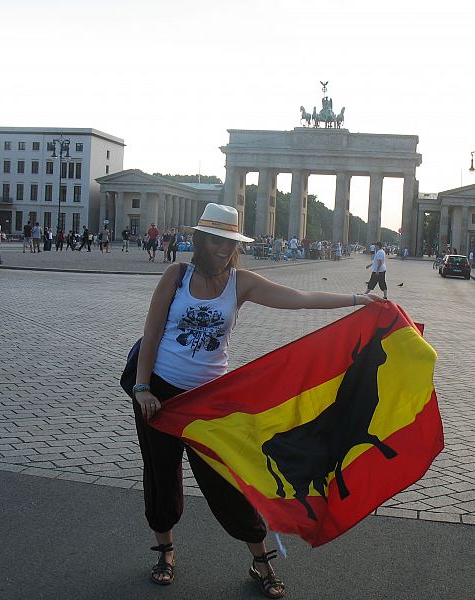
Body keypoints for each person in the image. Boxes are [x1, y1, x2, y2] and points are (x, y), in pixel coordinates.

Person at [130, 203, 382, 596]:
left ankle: (260, 560)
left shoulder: (240, 282)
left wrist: (355, 300)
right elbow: (151, 331)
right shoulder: (176, 276)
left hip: (210, 400)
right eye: (216, 240)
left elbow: (297, 297)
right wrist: (142, 387)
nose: (223, 249)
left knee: (228, 479)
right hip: (159, 394)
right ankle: (165, 551)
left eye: (230, 242)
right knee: (161, 474)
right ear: (201, 240)